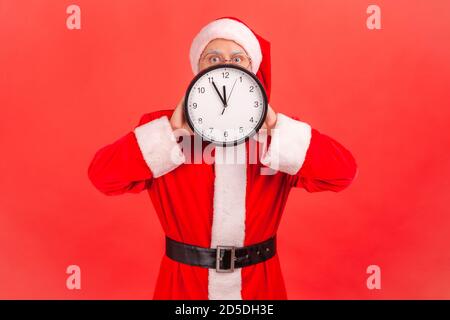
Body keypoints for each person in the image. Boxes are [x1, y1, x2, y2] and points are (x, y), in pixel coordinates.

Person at [87, 17, 358, 300]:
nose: (225, 66)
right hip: (182, 287)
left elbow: (343, 173)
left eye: (237, 58)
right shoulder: (162, 127)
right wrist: (169, 133)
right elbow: (102, 178)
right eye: (213, 58)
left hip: (260, 288)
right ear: (197, 71)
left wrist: (277, 125)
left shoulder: (276, 136)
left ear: (252, 71)